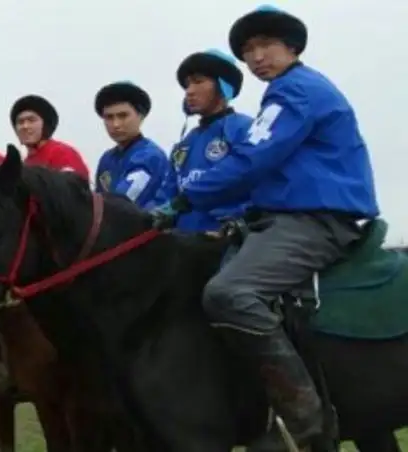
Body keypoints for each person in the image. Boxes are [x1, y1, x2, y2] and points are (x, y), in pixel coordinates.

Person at [152, 6, 379, 450]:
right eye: (248, 50)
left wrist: (183, 199)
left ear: (292, 47)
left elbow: (253, 158)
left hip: (315, 220)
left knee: (228, 293)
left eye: (266, 45)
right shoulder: (285, 93)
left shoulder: (294, 91)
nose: (256, 57)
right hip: (286, 216)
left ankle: (308, 422)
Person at [153, 50, 253, 232]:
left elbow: (259, 185)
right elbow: (166, 195)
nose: (189, 91)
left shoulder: (245, 129)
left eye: (198, 82)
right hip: (183, 246)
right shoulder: (183, 145)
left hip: (229, 244)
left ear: (224, 86)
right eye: (187, 85)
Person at [93, 81, 168, 209]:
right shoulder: (107, 158)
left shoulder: (149, 156)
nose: (116, 124)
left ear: (141, 116)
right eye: (109, 117)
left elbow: (119, 206)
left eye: (123, 116)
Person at [9, 95, 90, 180]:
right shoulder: (25, 164)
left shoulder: (62, 153)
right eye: (20, 122)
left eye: (31, 120)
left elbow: (75, 189)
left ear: (45, 125)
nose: (25, 126)